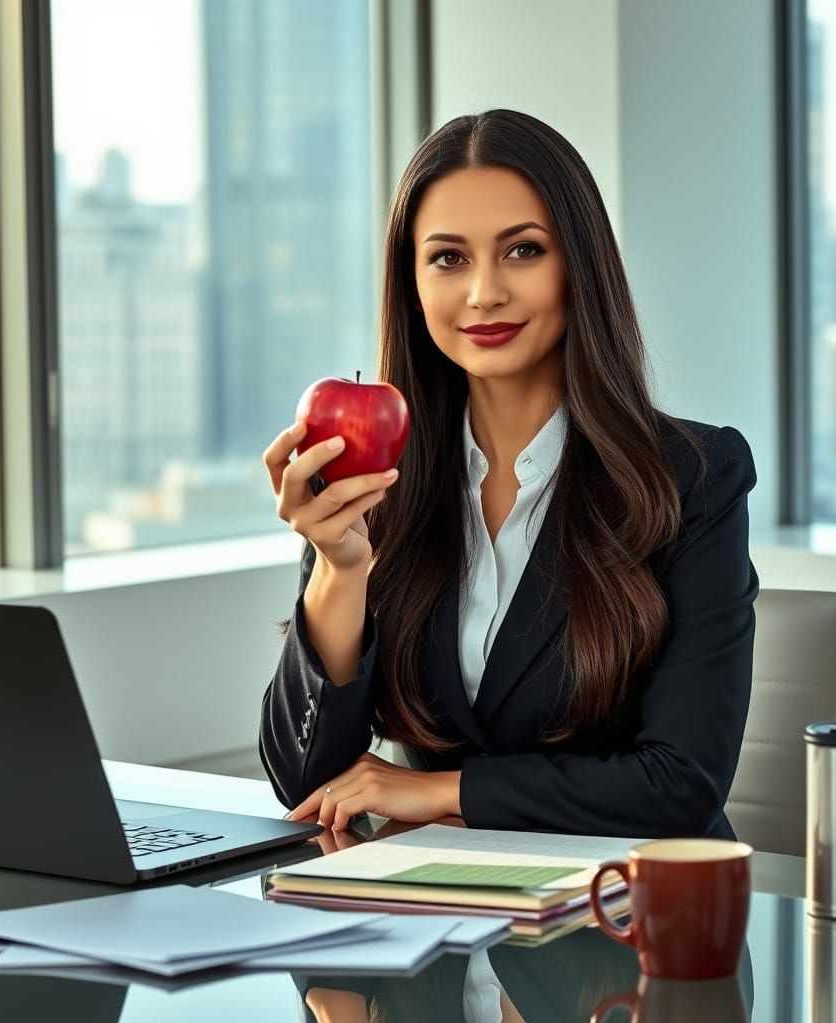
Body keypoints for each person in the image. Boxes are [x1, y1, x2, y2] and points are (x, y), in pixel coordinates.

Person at [259, 108, 759, 841]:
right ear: (413, 282)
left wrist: (442, 791)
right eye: (449, 258)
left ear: (577, 265)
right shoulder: (374, 477)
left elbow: (681, 782)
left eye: (523, 251)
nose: (484, 292)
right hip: (436, 925)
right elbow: (305, 782)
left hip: (630, 923)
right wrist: (339, 569)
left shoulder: (692, 478)